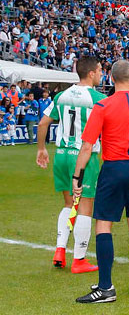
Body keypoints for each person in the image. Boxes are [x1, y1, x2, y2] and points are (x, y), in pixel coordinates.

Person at [72, 59, 129, 303]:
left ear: (111, 78)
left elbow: (88, 146)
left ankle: (105, 287)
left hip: (114, 168)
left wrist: (77, 175)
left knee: (103, 226)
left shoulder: (103, 106)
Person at [36, 55, 105, 274]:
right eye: (101, 70)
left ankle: (59, 250)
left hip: (62, 154)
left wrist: (41, 149)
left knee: (68, 204)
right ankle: (79, 259)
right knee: (85, 206)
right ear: (91, 73)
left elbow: (43, 123)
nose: (102, 74)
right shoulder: (97, 98)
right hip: (83, 156)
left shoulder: (61, 95)